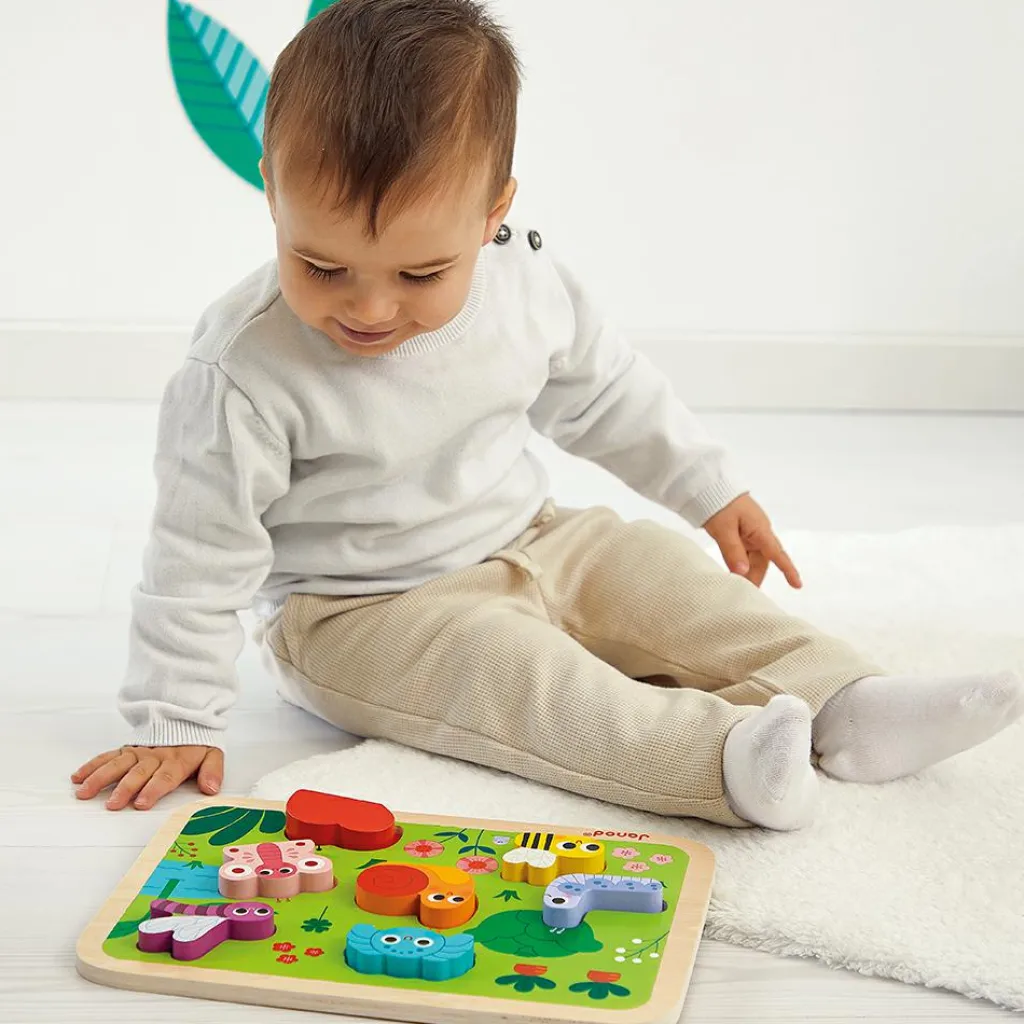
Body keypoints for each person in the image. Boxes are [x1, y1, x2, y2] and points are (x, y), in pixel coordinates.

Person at [72, 0, 1023, 829]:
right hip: (358, 612)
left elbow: (604, 390)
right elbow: (198, 551)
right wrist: (176, 716)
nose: (369, 308)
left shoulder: (523, 283)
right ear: (273, 198)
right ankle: (722, 761)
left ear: (494, 213)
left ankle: (849, 701)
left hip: (533, 535)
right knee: (527, 681)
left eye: (421, 273)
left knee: (659, 577)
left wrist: (708, 487)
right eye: (320, 266)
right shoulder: (243, 370)